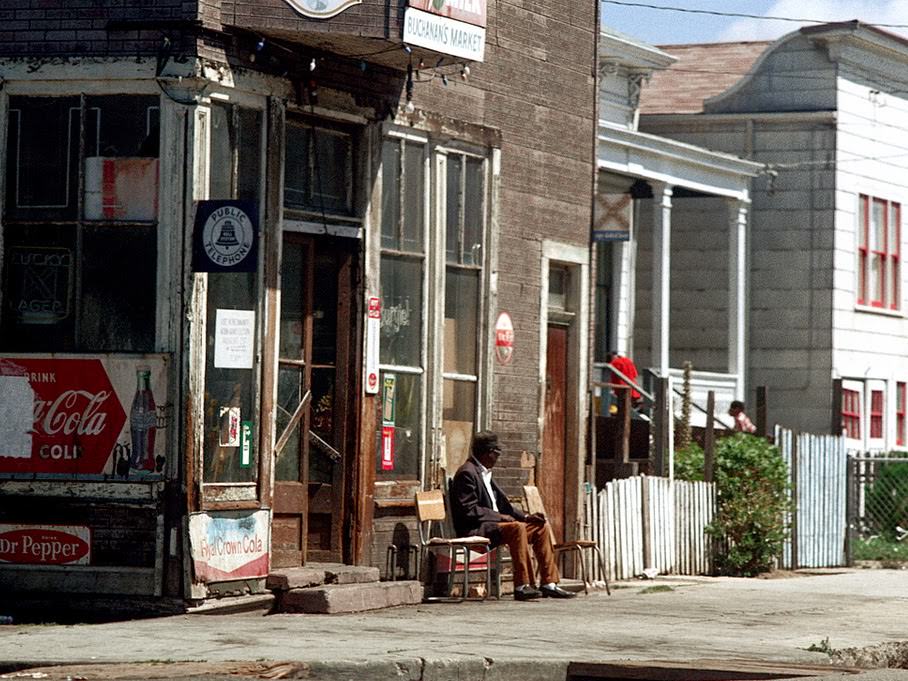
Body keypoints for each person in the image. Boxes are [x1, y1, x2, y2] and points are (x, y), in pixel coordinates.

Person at [449, 431, 575, 600]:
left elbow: (505, 506)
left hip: (496, 527)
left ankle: (549, 583)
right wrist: (500, 517)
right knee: (516, 528)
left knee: (540, 528)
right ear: (488, 453)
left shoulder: (484, 473)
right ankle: (522, 585)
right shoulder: (467, 473)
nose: (498, 458)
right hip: (477, 528)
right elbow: (469, 510)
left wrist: (526, 517)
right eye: (496, 453)